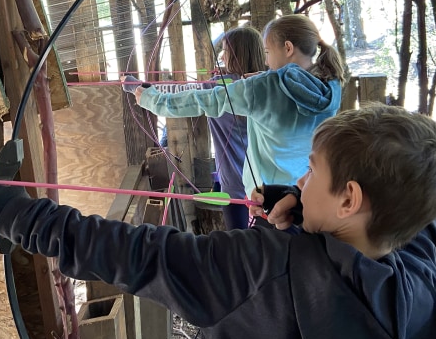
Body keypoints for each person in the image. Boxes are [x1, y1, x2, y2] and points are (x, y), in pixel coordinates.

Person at [0, 104, 436, 339]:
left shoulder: (257, 269)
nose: (303, 180)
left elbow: (137, 253)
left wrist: (19, 216)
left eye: (311, 172)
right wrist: (307, 204)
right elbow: (412, 219)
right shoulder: (414, 265)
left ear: (349, 199)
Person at [129, 14, 345, 221]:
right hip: (305, 192)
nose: (267, 61)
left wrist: (152, 100)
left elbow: (203, 101)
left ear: (288, 48)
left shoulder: (264, 87)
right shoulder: (330, 86)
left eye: (268, 52)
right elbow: (290, 89)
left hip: (268, 197)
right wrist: (264, 80)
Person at [124, 25, 266, 230]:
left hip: (236, 188)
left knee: (241, 247)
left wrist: (132, 85)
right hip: (268, 185)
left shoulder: (220, 87)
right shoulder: (269, 84)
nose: (223, 57)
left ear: (237, 54)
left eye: (226, 51)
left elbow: (177, 92)